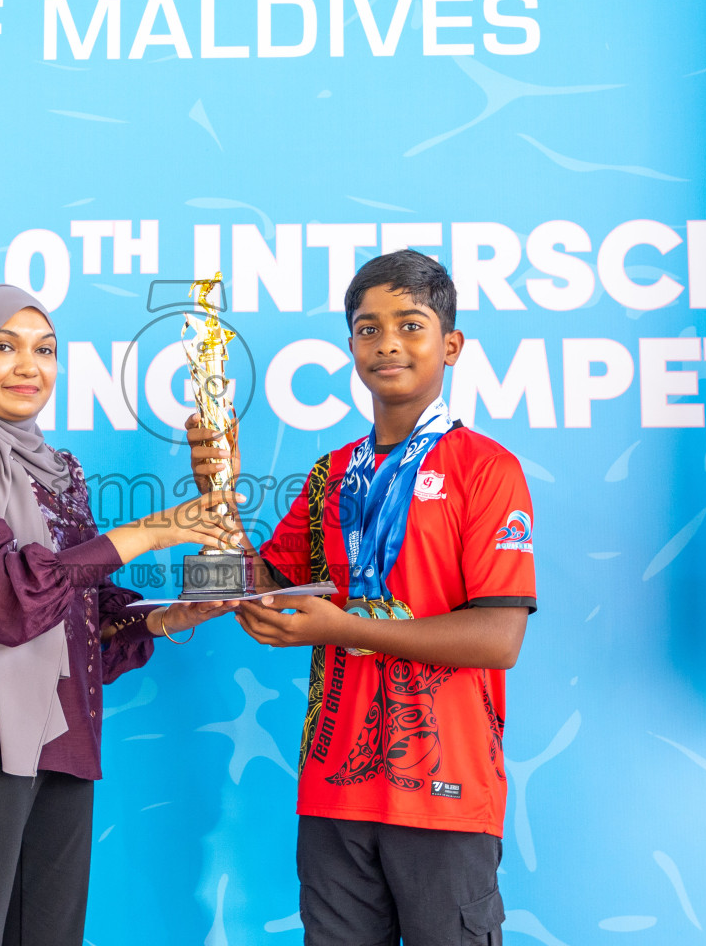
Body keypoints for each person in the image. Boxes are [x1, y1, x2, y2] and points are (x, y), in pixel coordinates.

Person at [188, 250, 536, 946]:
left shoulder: (486, 469)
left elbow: (498, 638)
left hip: (446, 789)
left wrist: (338, 627)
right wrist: (214, 495)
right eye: (368, 329)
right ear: (351, 347)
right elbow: (258, 582)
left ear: (452, 345)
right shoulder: (331, 474)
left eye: (411, 325)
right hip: (334, 790)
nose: (388, 344)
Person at [0, 284, 239, 946]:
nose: (30, 366)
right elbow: (4, 599)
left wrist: (173, 614)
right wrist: (156, 530)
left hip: (61, 738)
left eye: (45, 350)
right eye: (4, 346)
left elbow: (77, 622)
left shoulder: (60, 473)